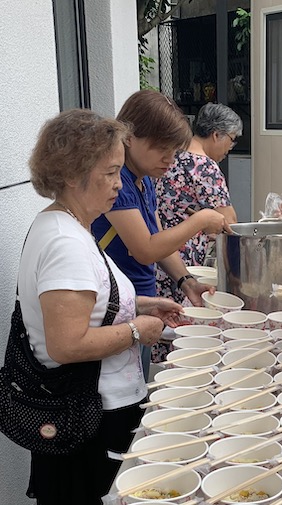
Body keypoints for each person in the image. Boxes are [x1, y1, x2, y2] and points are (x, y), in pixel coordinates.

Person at [20, 109, 185, 505]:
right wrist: (137, 331)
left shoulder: (70, 226)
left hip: (96, 403)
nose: (118, 184)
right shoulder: (65, 243)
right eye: (110, 172)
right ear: (73, 174)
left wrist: (145, 305)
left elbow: (92, 303)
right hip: (91, 409)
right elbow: (66, 343)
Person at [91, 90, 229, 378]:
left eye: (174, 150)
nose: (169, 159)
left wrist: (187, 281)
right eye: (161, 148)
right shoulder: (118, 184)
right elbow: (146, 249)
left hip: (140, 302)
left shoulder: (144, 180)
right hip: (115, 311)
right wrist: (200, 219)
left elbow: (159, 239)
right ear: (129, 136)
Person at [153, 102, 241, 362]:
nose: (231, 147)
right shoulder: (205, 166)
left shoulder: (171, 157)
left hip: (158, 254)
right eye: (232, 139)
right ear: (216, 134)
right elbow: (229, 221)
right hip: (184, 263)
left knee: (160, 326)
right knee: (181, 327)